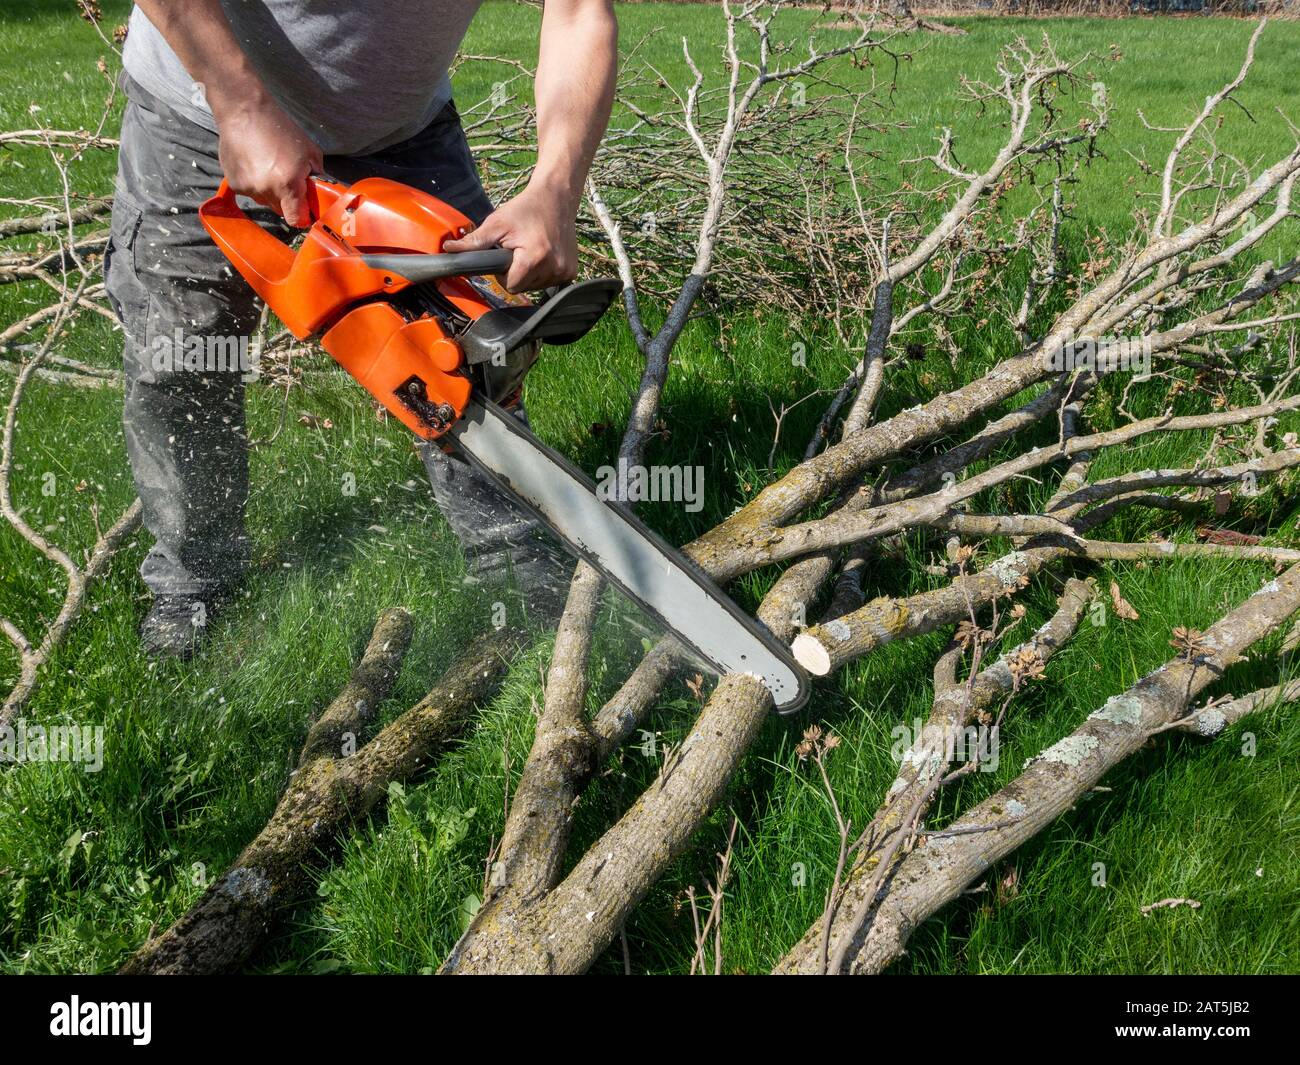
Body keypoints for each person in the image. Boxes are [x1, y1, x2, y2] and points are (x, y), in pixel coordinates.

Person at [105, 0, 618, 656]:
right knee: (182, 357)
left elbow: (578, 12)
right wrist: (239, 102)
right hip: (196, 103)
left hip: (401, 130)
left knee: (473, 348)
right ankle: (194, 580)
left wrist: (556, 187)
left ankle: (514, 560)